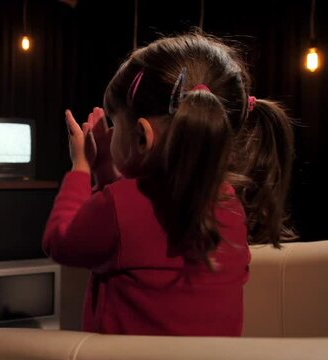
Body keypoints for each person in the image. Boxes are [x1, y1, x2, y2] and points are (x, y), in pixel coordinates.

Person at [43, 33, 295, 336]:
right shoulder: (230, 206)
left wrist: (81, 167)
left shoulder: (119, 206)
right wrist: (108, 174)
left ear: (142, 136)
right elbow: (134, 233)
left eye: (115, 123)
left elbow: (60, 241)